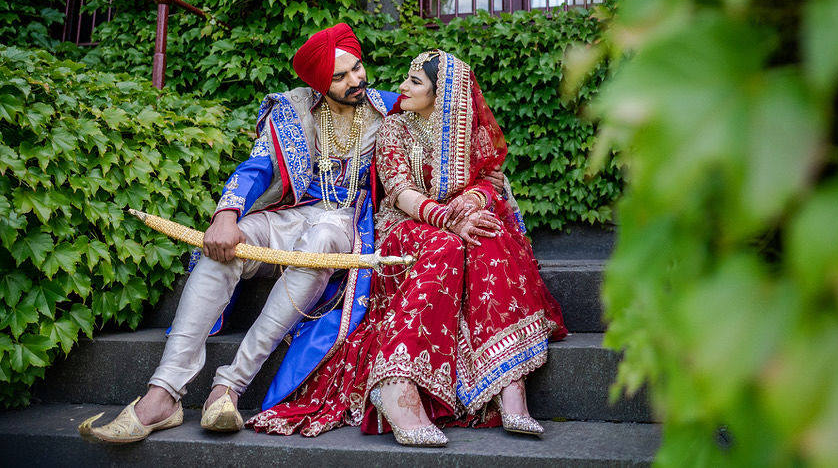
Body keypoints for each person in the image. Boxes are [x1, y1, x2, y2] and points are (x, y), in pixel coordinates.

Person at [79, 23, 401, 443]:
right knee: (225, 247)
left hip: (343, 223)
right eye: (339, 77)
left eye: (356, 68)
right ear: (321, 85)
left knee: (320, 242)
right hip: (288, 214)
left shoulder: (391, 111)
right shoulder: (293, 109)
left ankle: (228, 386)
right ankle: (163, 394)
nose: (355, 80)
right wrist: (227, 214)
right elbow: (256, 167)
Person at [249, 49, 567, 446]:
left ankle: (509, 385)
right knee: (447, 247)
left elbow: (490, 176)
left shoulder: (467, 127)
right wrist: (451, 217)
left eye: (415, 81)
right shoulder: (394, 128)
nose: (401, 86)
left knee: (492, 239)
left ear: (443, 93)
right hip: (405, 226)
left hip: (458, 220)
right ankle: (396, 383)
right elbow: (399, 191)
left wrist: (472, 204)